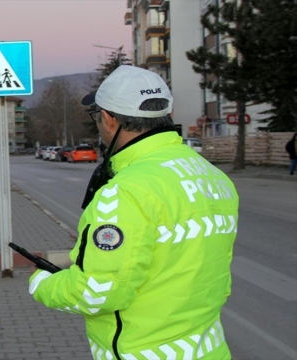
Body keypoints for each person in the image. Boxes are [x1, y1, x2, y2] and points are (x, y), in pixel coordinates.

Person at [28, 65, 239, 359]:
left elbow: (97, 293)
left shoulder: (126, 191)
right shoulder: (213, 176)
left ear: (109, 119)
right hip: (208, 350)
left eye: (96, 117)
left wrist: (42, 282)